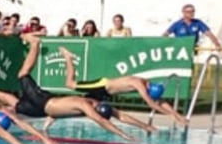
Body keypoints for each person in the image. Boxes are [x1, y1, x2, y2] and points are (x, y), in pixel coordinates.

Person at [0, 33, 135, 141]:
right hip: (43, 102)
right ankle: (35, 44)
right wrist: (122, 134)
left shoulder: (87, 106)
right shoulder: (84, 105)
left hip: (42, 109)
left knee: (17, 104)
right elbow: (101, 121)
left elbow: (109, 116)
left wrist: (139, 128)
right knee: (23, 74)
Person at [55, 46, 188, 128]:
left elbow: (160, 101)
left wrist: (177, 115)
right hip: (102, 85)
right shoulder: (138, 83)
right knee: (70, 84)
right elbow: (151, 103)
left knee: (95, 110)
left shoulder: (147, 85)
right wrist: (172, 115)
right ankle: (68, 57)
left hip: (106, 93)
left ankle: (145, 127)